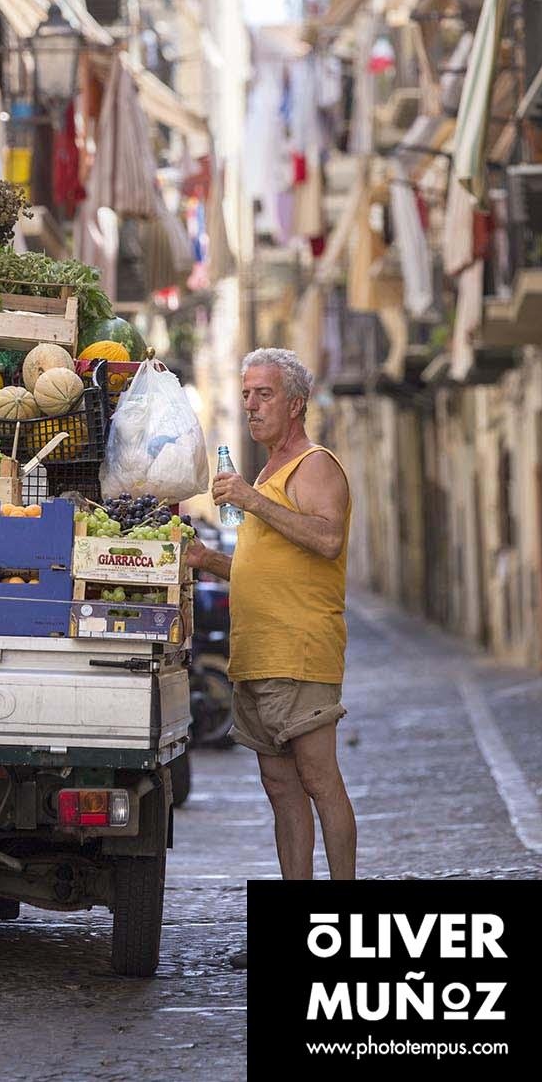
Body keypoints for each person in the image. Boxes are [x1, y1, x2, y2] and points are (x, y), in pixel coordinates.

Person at [186, 347, 356, 905]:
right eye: (246, 394)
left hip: (299, 651)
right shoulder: (267, 473)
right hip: (255, 656)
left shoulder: (315, 465)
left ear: (296, 403)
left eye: (264, 394)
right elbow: (264, 567)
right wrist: (208, 560)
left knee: (319, 781)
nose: (251, 406)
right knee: (281, 789)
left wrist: (252, 501)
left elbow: (327, 539)